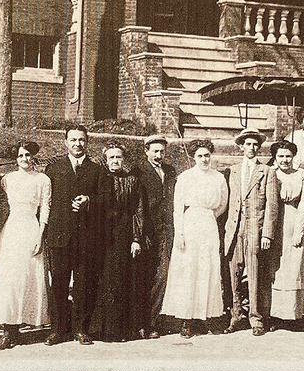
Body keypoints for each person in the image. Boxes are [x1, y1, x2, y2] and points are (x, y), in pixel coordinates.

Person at [0, 142, 52, 350]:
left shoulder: (43, 180)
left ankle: (19, 326)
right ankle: (8, 330)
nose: (24, 159)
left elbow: (45, 208)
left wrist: (40, 235)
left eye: (28, 155)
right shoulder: (7, 179)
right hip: (10, 232)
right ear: (16, 158)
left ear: (33, 157)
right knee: (8, 279)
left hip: (31, 229)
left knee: (26, 278)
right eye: (20, 155)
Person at [44, 124, 106, 346]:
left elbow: (106, 200)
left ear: (87, 142)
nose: (78, 144)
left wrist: (89, 201)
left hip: (86, 238)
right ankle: (58, 330)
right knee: (58, 284)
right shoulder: (54, 168)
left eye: (82, 140)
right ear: (66, 142)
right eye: (73, 140)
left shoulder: (97, 170)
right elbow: (46, 202)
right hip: (59, 237)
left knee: (84, 284)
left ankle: (81, 329)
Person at [160, 139, 228, 338]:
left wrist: (210, 216)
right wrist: (179, 233)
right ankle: (186, 321)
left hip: (208, 224)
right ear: (193, 157)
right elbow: (177, 208)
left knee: (207, 269)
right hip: (189, 225)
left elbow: (223, 204)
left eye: (207, 155)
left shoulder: (218, 178)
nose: (204, 159)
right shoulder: (185, 177)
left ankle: (205, 318)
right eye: (199, 156)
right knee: (188, 272)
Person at [223, 128, 280, 336]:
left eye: (255, 144)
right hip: (235, 229)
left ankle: (256, 318)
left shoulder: (267, 172)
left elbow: (272, 206)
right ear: (241, 146)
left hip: (255, 229)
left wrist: (267, 234)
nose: (252, 148)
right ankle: (236, 315)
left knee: (255, 273)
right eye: (248, 144)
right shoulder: (233, 171)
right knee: (234, 272)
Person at [90, 141, 145, 342]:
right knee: (102, 280)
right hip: (101, 234)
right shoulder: (100, 178)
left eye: (118, 157)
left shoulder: (132, 180)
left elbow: (138, 210)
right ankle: (99, 328)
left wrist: (136, 238)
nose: (115, 160)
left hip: (123, 234)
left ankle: (119, 329)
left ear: (124, 159)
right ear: (106, 159)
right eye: (111, 157)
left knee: (120, 280)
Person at [132, 134, 177, 339]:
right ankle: (139, 322)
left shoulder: (170, 171)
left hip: (166, 231)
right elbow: (135, 207)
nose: (159, 155)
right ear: (146, 151)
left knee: (162, 276)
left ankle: (152, 322)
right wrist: (139, 235)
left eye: (162, 151)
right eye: (155, 151)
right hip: (146, 233)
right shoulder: (138, 172)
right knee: (143, 277)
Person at [268, 140, 304, 330]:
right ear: (275, 158)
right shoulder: (270, 173)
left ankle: (293, 316)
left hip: (294, 221)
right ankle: (275, 316)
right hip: (275, 223)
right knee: (276, 269)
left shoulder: (301, 174)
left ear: (293, 157)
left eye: (288, 156)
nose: (285, 160)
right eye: (281, 156)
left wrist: (299, 231)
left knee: (294, 268)